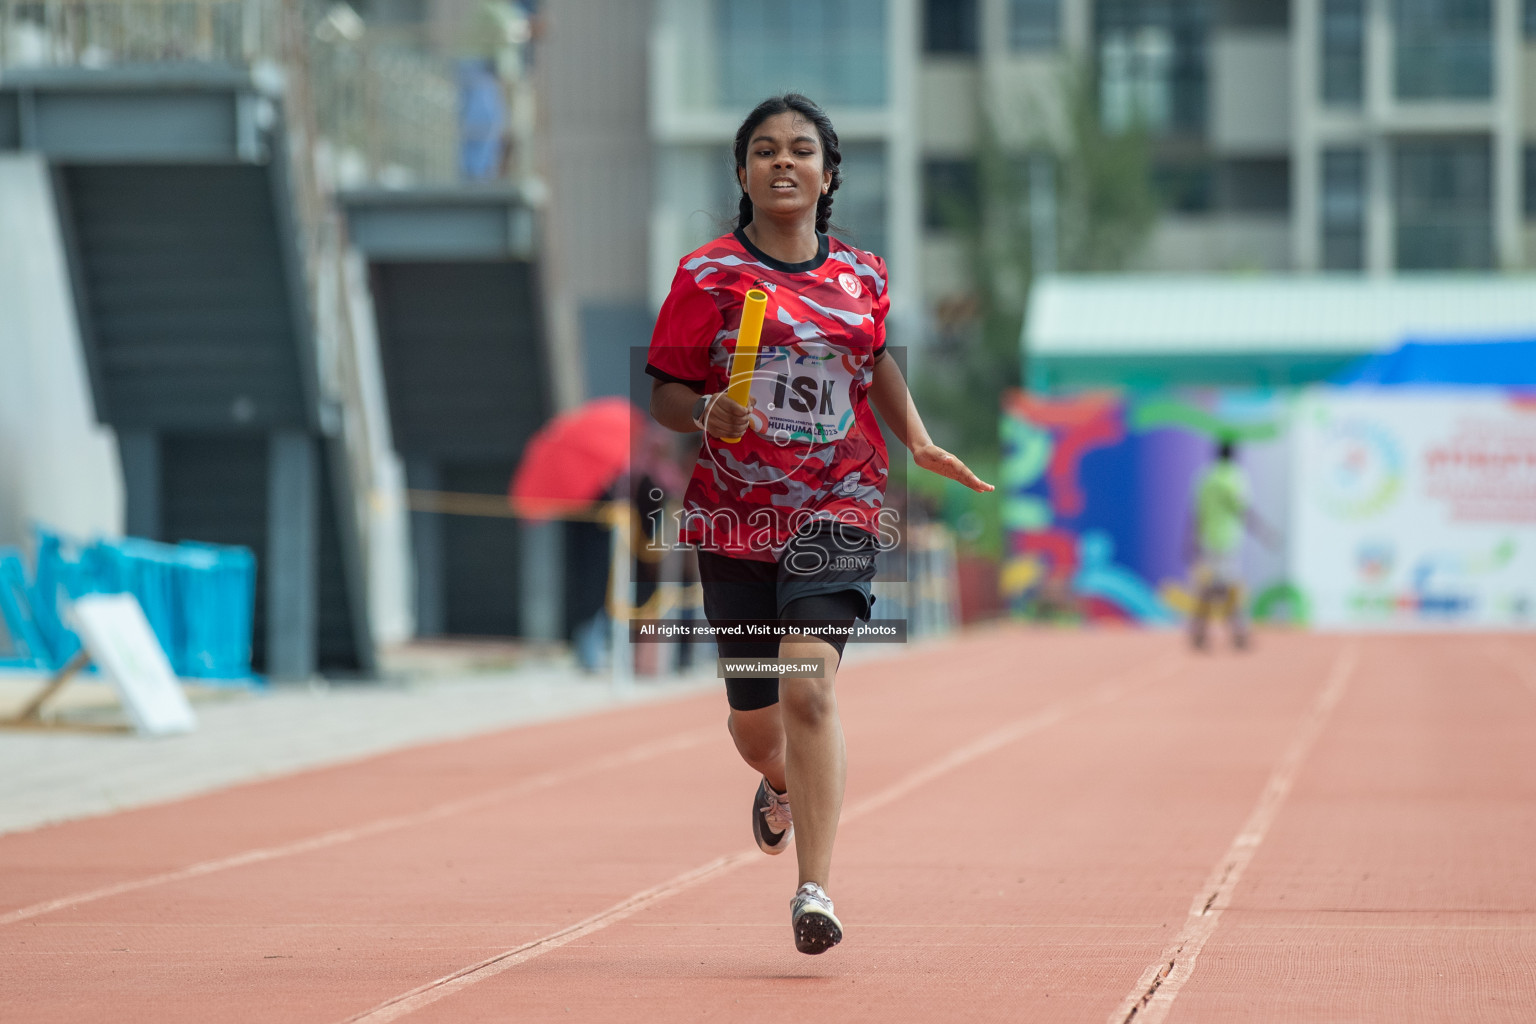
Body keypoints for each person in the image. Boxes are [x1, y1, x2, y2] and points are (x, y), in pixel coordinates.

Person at [646, 94, 992, 955]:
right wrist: (706, 416)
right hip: (736, 521)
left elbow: (872, 363)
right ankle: (779, 783)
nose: (783, 162)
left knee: (811, 686)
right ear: (743, 173)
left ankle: (816, 889)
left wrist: (918, 439)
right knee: (759, 728)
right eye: (764, 150)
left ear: (828, 173)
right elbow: (664, 391)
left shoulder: (864, 277)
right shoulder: (706, 277)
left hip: (839, 503)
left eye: (801, 150)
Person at [1188, 438, 1274, 650]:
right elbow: (1243, 510)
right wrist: (1264, 532)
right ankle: (1238, 634)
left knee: (1208, 588)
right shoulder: (1233, 478)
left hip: (1208, 540)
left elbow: (1196, 513)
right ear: (1234, 455)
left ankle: (1200, 632)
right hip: (1227, 542)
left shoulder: (1206, 478)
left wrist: (1191, 541)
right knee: (1231, 589)